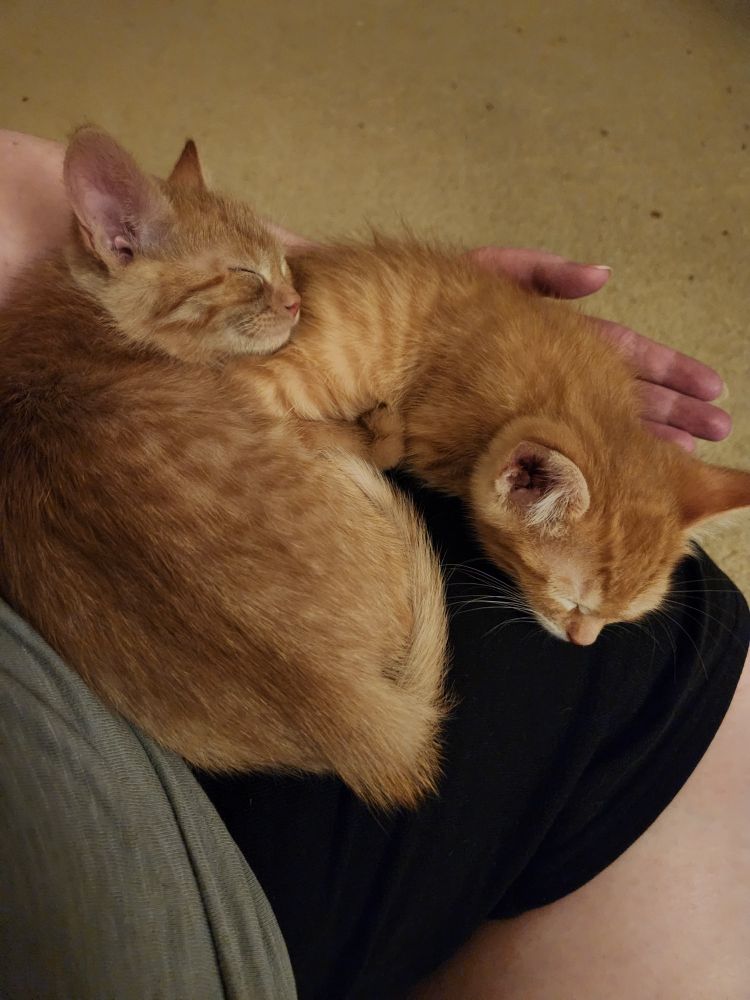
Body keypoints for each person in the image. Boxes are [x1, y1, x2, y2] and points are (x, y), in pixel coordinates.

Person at [0, 129, 747, 1000]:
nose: (287, 302)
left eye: (280, 277)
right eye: (258, 280)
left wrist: (353, 291)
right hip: (257, 772)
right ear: (114, 244)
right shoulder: (132, 343)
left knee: (667, 616)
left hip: (218, 696)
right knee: (678, 645)